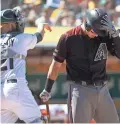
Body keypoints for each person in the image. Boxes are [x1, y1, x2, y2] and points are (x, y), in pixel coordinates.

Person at [40, 8, 120, 123]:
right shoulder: (68, 38)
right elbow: (56, 64)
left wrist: (115, 37)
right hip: (80, 90)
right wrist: (47, 89)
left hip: (102, 89)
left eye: (99, 32)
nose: (97, 35)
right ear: (87, 24)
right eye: (95, 32)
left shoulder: (103, 35)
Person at [0, 7, 52, 123]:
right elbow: (39, 36)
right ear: (9, 24)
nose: (18, 24)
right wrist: (41, 26)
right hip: (15, 87)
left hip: (0, 93)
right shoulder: (20, 38)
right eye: (15, 22)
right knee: (36, 120)